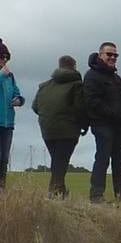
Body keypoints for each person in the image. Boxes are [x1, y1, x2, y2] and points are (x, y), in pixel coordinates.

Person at [32, 55, 87, 198]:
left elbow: (35, 106)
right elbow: (80, 108)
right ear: (74, 67)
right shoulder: (76, 84)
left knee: (57, 160)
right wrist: (84, 124)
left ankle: (59, 192)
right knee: (61, 161)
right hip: (68, 129)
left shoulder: (44, 85)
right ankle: (55, 192)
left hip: (47, 128)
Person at [84, 42, 121, 203]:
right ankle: (96, 195)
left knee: (120, 161)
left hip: (119, 126)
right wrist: (113, 114)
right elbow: (92, 101)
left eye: (115, 55)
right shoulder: (92, 75)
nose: (112, 58)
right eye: (109, 54)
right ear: (100, 55)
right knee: (103, 159)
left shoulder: (116, 77)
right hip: (102, 124)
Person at [0, 39, 25, 190]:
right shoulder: (4, 74)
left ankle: (2, 189)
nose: (4, 60)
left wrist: (19, 100)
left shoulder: (10, 76)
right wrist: (1, 75)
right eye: (2, 56)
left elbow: (17, 93)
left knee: (4, 159)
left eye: (6, 57)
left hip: (8, 123)